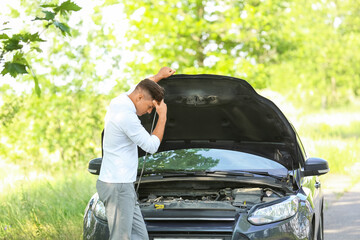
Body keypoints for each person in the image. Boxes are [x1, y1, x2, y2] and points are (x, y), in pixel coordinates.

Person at [96, 67, 176, 240]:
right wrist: (162, 116)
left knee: (140, 236)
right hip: (118, 186)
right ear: (140, 98)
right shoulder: (126, 116)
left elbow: (140, 85)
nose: (149, 112)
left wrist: (158, 76)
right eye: (149, 106)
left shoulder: (120, 100)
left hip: (123, 185)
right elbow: (151, 146)